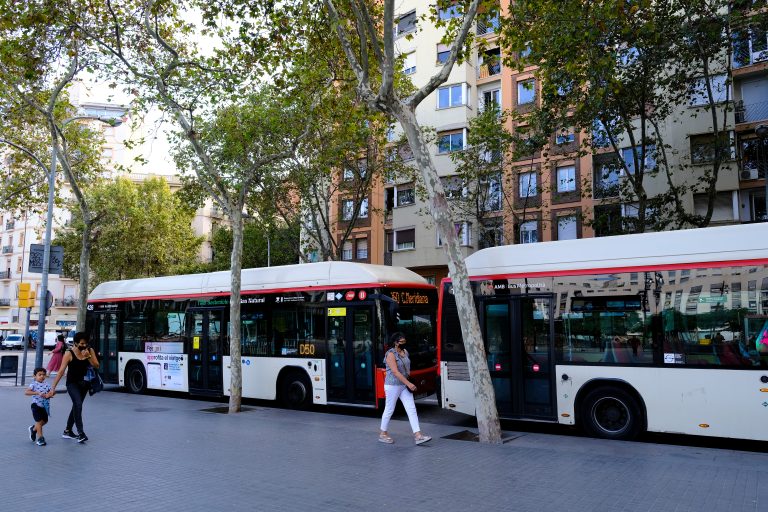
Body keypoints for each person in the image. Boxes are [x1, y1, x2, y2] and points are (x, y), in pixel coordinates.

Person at [378, 332, 431, 445]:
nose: (403, 343)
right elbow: (395, 372)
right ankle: (383, 433)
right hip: (392, 385)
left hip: (403, 385)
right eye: (401, 342)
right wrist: (409, 384)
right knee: (389, 409)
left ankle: (418, 435)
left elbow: (407, 367)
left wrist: (408, 380)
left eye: (404, 341)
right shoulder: (390, 354)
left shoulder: (405, 352)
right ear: (395, 343)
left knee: (411, 408)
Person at [50, 332, 98, 443]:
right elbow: (61, 371)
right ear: (75, 343)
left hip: (85, 384)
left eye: (86, 343)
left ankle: (67, 431)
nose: (84, 345)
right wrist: (53, 387)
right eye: (81, 343)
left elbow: (96, 365)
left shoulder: (89, 351)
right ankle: (81, 433)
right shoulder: (69, 353)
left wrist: (88, 356)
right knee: (78, 404)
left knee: (76, 406)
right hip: (72, 384)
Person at [26, 367, 53, 446]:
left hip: (44, 406)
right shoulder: (33, 384)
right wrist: (37, 393)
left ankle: (33, 429)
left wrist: (49, 394)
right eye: (39, 375)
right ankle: (40, 438)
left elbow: (52, 392)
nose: (42, 376)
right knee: (39, 421)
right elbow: (27, 392)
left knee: (44, 421)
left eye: (43, 375)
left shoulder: (47, 384)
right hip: (36, 405)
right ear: (35, 376)